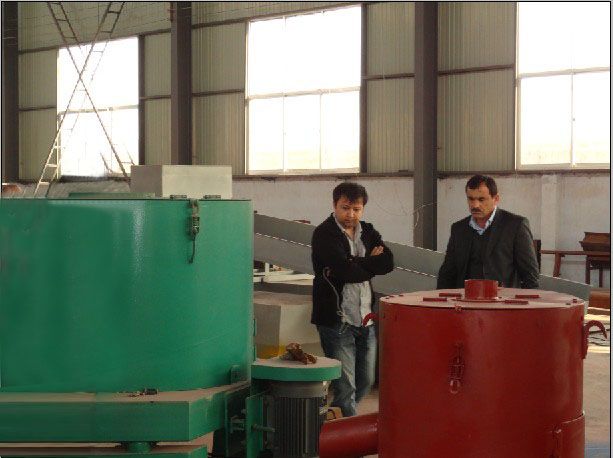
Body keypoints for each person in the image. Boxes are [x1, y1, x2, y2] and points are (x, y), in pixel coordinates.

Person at [311, 182, 394, 417]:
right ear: (334, 205)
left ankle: (334, 420)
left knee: (366, 380)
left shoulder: (368, 231)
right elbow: (345, 272)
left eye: (356, 209)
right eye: (345, 208)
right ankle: (345, 430)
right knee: (346, 387)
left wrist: (355, 262)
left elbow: (388, 262)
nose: (351, 215)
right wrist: (368, 263)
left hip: (365, 319)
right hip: (337, 321)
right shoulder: (324, 234)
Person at [437, 174, 540, 289]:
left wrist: (525, 299)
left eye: (481, 199)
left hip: (503, 299)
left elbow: (530, 276)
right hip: (465, 298)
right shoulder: (459, 229)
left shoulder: (515, 226)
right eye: (471, 199)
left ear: (496, 199)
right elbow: (447, 274)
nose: (475, 205)